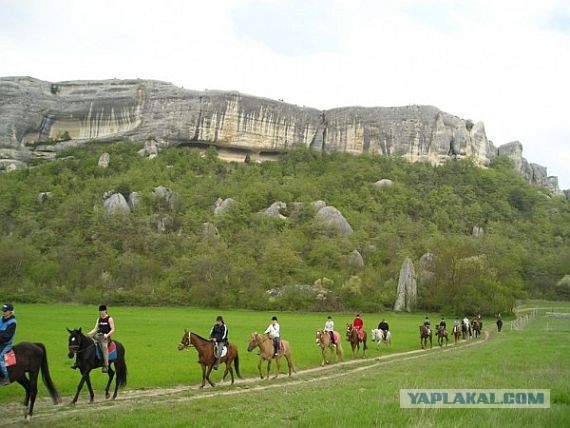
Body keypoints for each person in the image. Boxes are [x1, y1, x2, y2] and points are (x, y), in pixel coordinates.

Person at [87, 304, 115, 373]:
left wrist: (107, 335)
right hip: (98, 336)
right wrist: (89, 334)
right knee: (87, 340)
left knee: (104, 347)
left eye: (102, 311)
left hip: (105, 338)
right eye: (100, 311)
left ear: (105, 311)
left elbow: (113, 329)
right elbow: (95, 329)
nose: (101, 312)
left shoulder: (109, 318)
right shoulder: (99, 319)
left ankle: (106, 365)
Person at [0, 303, 16, 386]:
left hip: (6, 344)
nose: (3, 312)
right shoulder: (1, 319)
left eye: (5, 311)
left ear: (10, 312)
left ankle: (6, 377)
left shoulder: (12, 323)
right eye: (3, 310)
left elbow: (7, 336)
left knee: (0, 358)